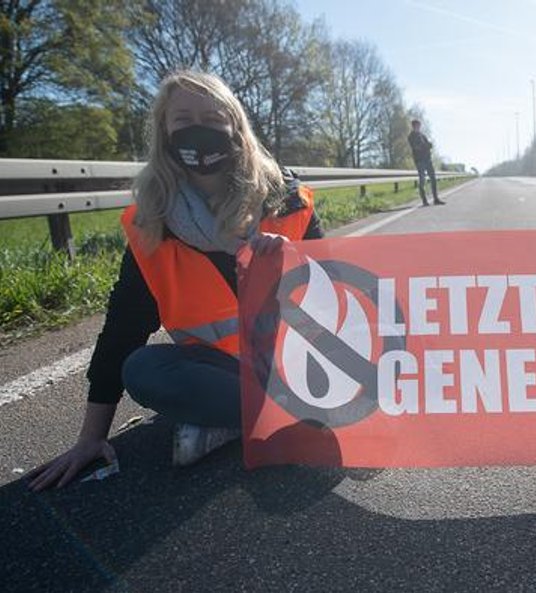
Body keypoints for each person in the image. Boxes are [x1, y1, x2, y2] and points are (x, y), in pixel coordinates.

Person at [27, 70, 324, 490]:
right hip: (221, 372)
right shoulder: (152, 224)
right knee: (143, 368)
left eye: (212, 117)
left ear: (235, 127)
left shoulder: (287, 200)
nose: (199, 130)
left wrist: (293, 266)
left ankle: (243, 417)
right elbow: (123, 330)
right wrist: (90, 439)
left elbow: (338, 301)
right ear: (164, 133)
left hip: (296, 363)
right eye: (183, 120)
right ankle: (272, 414)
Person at [408, 119, 444, 206]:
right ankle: (424, 201)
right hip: (420, 160)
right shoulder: (411, 136)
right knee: (422, 180)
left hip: (428, 159)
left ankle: (436, 199)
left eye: (419, 125)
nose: (419, 127)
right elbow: (416, 147)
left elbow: (428, 144)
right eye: (417, 125)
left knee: (433, 179)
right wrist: (425, 146)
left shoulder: (422, 135)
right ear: (413, 126)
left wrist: (428, 145)